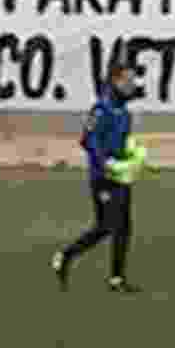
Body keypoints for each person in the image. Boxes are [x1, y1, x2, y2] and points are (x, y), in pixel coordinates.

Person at [53, 60, 145, 294]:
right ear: (115, 81)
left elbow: (119, 143)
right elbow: (88, 139)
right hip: (102, 178)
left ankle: (116, 279)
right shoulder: (101, 109)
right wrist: (104, 162)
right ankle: (66, 256)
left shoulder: (124, 112)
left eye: (133, 80)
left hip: (119, 176)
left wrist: (130, 156)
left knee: (120, 226)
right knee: (109, 225)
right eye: (127, 80)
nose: (132, 84)